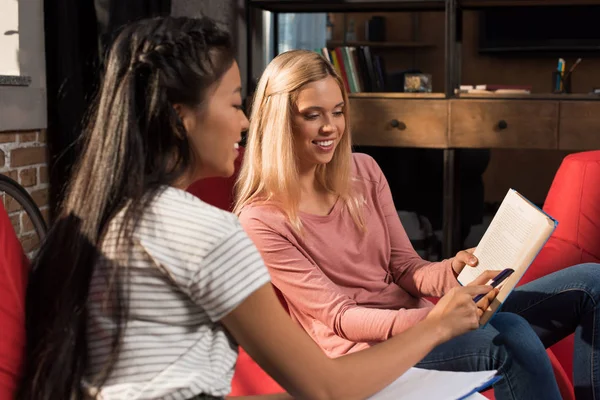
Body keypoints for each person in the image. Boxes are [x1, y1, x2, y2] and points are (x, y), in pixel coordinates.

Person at [16, 17, 496, 400]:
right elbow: (327, 387)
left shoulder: (99, 216)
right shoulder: (207, 230)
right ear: (181, 119)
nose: (245, 122)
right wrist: (434, 326)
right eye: (232, 104)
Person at [234, 49, 600, 400]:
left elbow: (405, 268)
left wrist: (453, 273)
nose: (331, 127)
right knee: (511, 335)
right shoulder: (261, 220)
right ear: (279, 119)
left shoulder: (363, 170)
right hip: (369, 354)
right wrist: (432, 323)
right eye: (313, 115)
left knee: (592, 283)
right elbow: (340, 318)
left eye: (338, 111)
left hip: (422, 322)